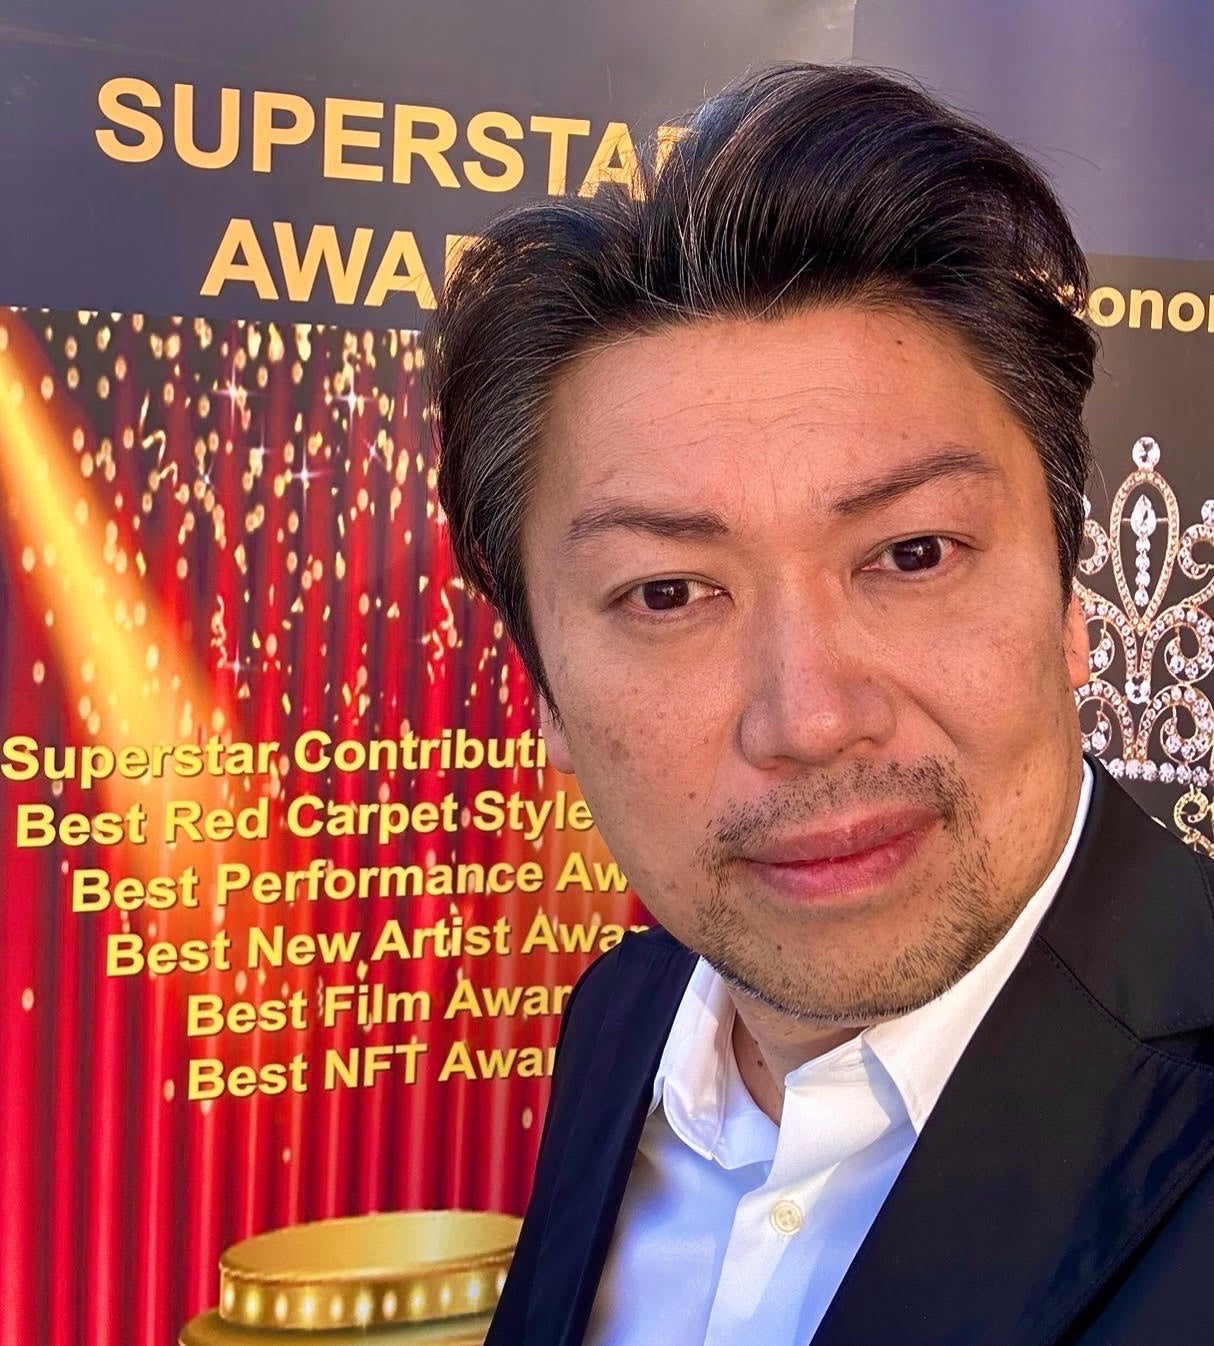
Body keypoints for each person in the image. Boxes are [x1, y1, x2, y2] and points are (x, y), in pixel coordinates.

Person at [424, 62, 1214, 1346]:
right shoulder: (628, 1013)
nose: (807, 716)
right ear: (547, 696)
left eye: (911, 553)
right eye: (668, 591)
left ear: (1069, 601)